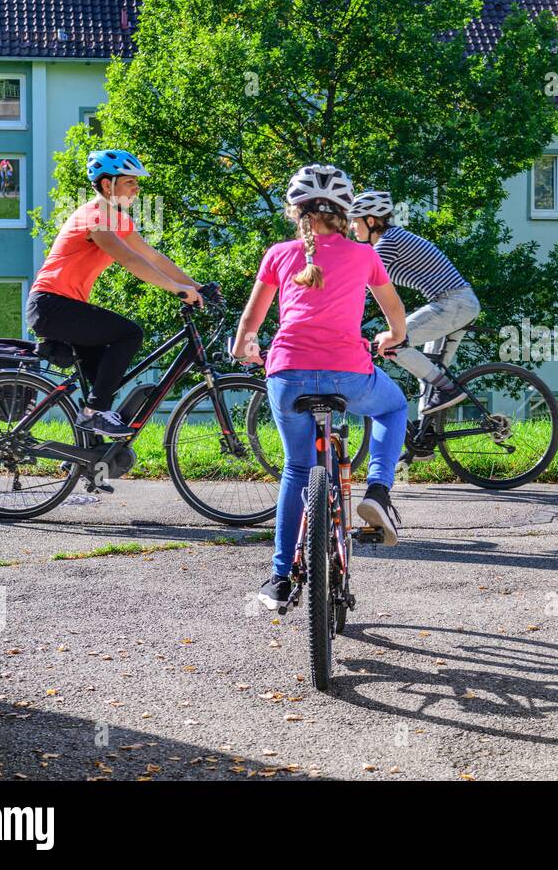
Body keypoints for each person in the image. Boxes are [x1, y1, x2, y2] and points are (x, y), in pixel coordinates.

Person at [231, 165, 410, 612]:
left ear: (296, 212)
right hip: (348, 374)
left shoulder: (278, 253)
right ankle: (378, 491)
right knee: (392, 408)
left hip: (287, 375)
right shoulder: (365, 256)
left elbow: (249, 326)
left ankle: (278, 578)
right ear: (346, 215)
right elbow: (396, 316)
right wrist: (390, 339)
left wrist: (245, 350)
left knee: (297, 469)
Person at [27, 149, 202, 438]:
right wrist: (177, 290)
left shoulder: (118, 220)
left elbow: (152, 256)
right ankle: (94, 413)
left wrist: (196, 287)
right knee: (129, 334)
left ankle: (88, 455)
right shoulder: (94, 217)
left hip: (65, 307)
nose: (137, 189)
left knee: (103, 382)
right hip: (51, 306)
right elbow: (131, 260)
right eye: (130, 182)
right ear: (107, 185)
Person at [346, 190, 479, 421]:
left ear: (370, 220)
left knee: (392, 344)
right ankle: (423, 444)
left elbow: (360, 284)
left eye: (355, 221)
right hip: (456, 304)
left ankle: (449, 390)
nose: (351, 227)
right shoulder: (390, 240)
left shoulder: (388, 243)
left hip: (452, 303)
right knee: (428, 374)